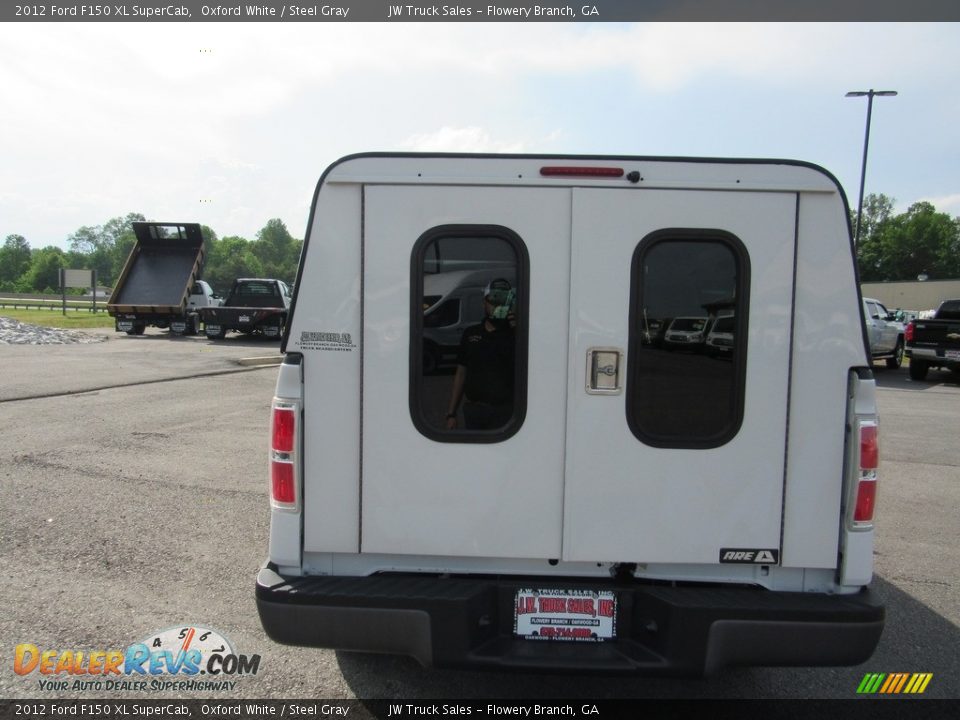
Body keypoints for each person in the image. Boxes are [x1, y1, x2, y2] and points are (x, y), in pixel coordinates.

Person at [445, 278, 516, 430]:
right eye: (493, 300)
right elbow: (461, 374)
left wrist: (517, 330)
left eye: (503, 301)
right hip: (474, 410)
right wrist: (451, 414)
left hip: (506, 413)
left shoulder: (517, 336)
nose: (497, 306)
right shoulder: (471, 334)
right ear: (484, 302)